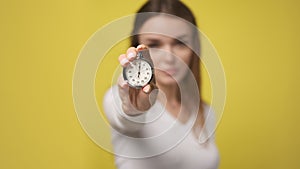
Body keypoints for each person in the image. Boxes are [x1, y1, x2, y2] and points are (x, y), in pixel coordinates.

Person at [103, 0, 220, 169]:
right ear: (138, 49)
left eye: (180, 43)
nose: (169, 57)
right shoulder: (116, 98)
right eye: (154, 44)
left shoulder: (205, 112)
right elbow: (125, 116)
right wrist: (133, 108)